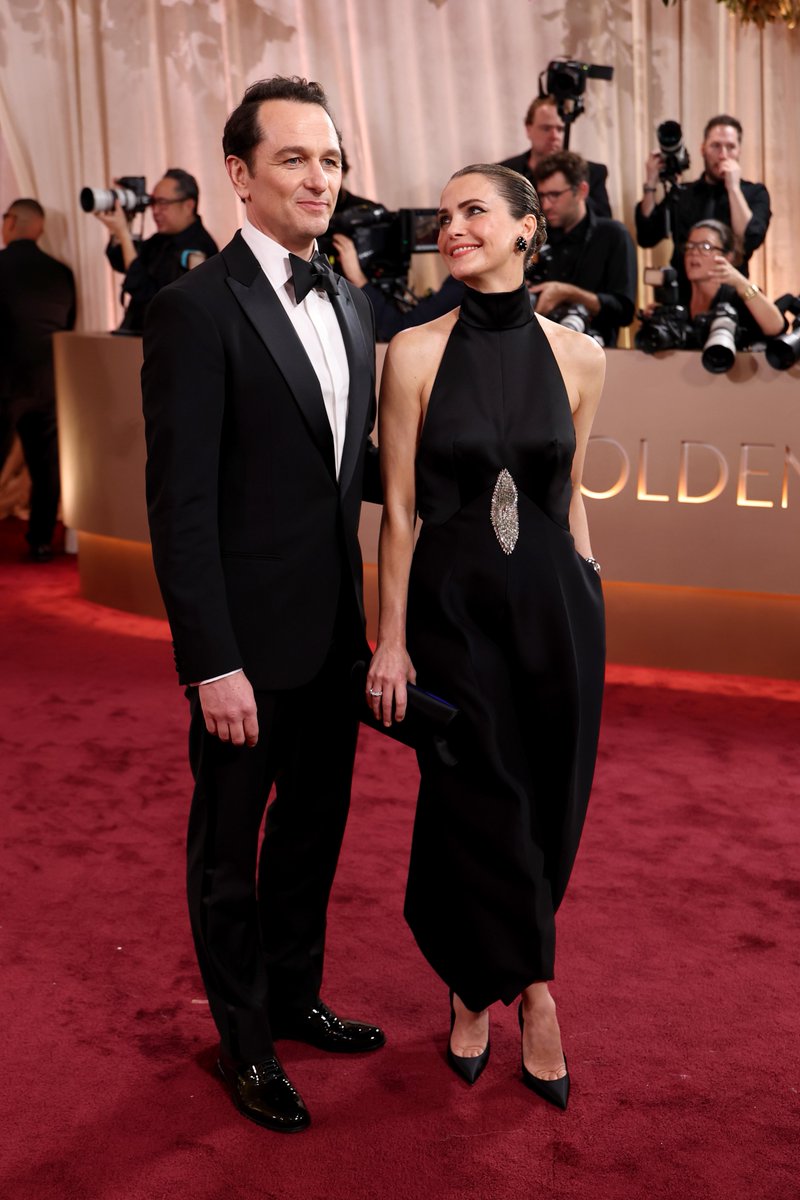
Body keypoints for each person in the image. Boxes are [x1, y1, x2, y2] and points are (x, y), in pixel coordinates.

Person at [141, 76, 384, 1135]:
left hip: (335, 637)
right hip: (243, 647)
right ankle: (243, 1043)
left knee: (313, 836)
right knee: (227, 853)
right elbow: (180, 503)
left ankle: (292, 996)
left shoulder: (352, 300)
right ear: (239, 176)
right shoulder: (193, 311)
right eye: (294, 159)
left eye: (329, 159)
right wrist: (210, 661)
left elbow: (344, 470)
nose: (319, 178)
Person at [366, 163, 605, 1110]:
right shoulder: (414, 353)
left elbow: (569, 493)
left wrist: (594, 592)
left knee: (548, 799)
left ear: (523, 230)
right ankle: (535, 995)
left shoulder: (581, 358)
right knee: (480, 793)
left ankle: (471, 984)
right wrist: (390, 639)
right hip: (453, 613)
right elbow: (395, 513)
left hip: (557, 608)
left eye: (474, 212)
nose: (451, 226)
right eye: (446, 214)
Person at [0, 199, 76, 560]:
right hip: (48, 383)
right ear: (40, 229)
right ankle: (42, 540)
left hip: (5, 381)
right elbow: (66, 326)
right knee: (45, 465)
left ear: (11, 222)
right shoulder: (60, 273)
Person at [635, 115, 771, 304]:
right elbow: (647, 235)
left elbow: (749, 240)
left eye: (730, 147)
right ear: (703, 149)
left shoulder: (754, 193)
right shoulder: (683, 193)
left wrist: (733, 188)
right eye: (715, 146)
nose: (723, 154)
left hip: (730, 297)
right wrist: (650, 183)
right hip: (682, 298)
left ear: (739, 151)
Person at [530, 151, 636, 346]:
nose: (546, 205)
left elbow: (624, 312)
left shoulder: (613, 235)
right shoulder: (535, 236)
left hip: (598, 355)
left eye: (554, 195)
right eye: (542, 195)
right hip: (538, 352)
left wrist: (569, 293)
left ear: (582, 191)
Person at [98, 168, 218, 333]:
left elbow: (149, 296)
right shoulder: (160, 240)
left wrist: (123, 234)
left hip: (168, 344)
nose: (155, 211)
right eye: (153, 203)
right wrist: (120, 228)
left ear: (188, 205)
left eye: (163, 203)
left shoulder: (198, 248)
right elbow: (121, 262)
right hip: (137, 338)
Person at [332, 230, 466, 340]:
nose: (453, 230)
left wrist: (358, 278)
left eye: (475, 211)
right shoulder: (463, 279)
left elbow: (400, 329)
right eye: (445, 220)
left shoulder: (464, 284)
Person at [500, 94, 612, 218]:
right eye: (546, 128)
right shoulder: (504, 173)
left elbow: (603, 225)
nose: (555, 136)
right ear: (528, 129)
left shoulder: (592, 172)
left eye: (560, 129)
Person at [682, 219, 785, 342]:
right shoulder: (680, 297)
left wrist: (742, 284)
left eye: (706, 246)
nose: (694, 253)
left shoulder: (738, 296)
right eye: (690, 246)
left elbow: (776, 327)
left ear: (727, 257)